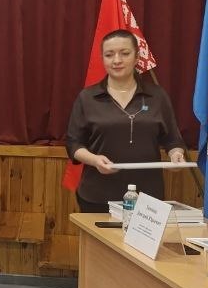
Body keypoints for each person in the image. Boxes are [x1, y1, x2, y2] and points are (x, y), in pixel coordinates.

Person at [66, 29, 186, 211]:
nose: (116, 60)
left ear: (137, 57)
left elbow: (172, 140)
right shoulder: (87, 97)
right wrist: (94, 160)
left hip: (148, 197)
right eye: (109, 55)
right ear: (102, 59)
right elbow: (73, 144)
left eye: (124, 53)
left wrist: (176, 155)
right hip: (97, 196)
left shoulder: (157, 96)